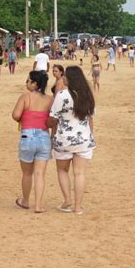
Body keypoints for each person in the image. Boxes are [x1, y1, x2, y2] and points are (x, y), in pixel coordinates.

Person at [47, 66, 96, 215]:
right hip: (83, 139)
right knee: (80, 173)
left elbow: (53, 118)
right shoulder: (87, 95)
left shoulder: (62, 95)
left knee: (62, 170)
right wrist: (90, 135)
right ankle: (78, 207)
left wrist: (48, 127)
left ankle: (67, 200)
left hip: (64, 139)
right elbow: (91, 119)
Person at [12, 71, 53, 213]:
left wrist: (24, 117)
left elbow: (15, 115)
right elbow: (52, 119)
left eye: (28, 81)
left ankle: (25, 200)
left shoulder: (25, 97)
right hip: (43, 136)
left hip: (27, 136)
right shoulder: (49, 99)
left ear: (35, 83)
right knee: (40, 174)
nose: (26, 83)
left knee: (27, 173)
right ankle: (38, 205)